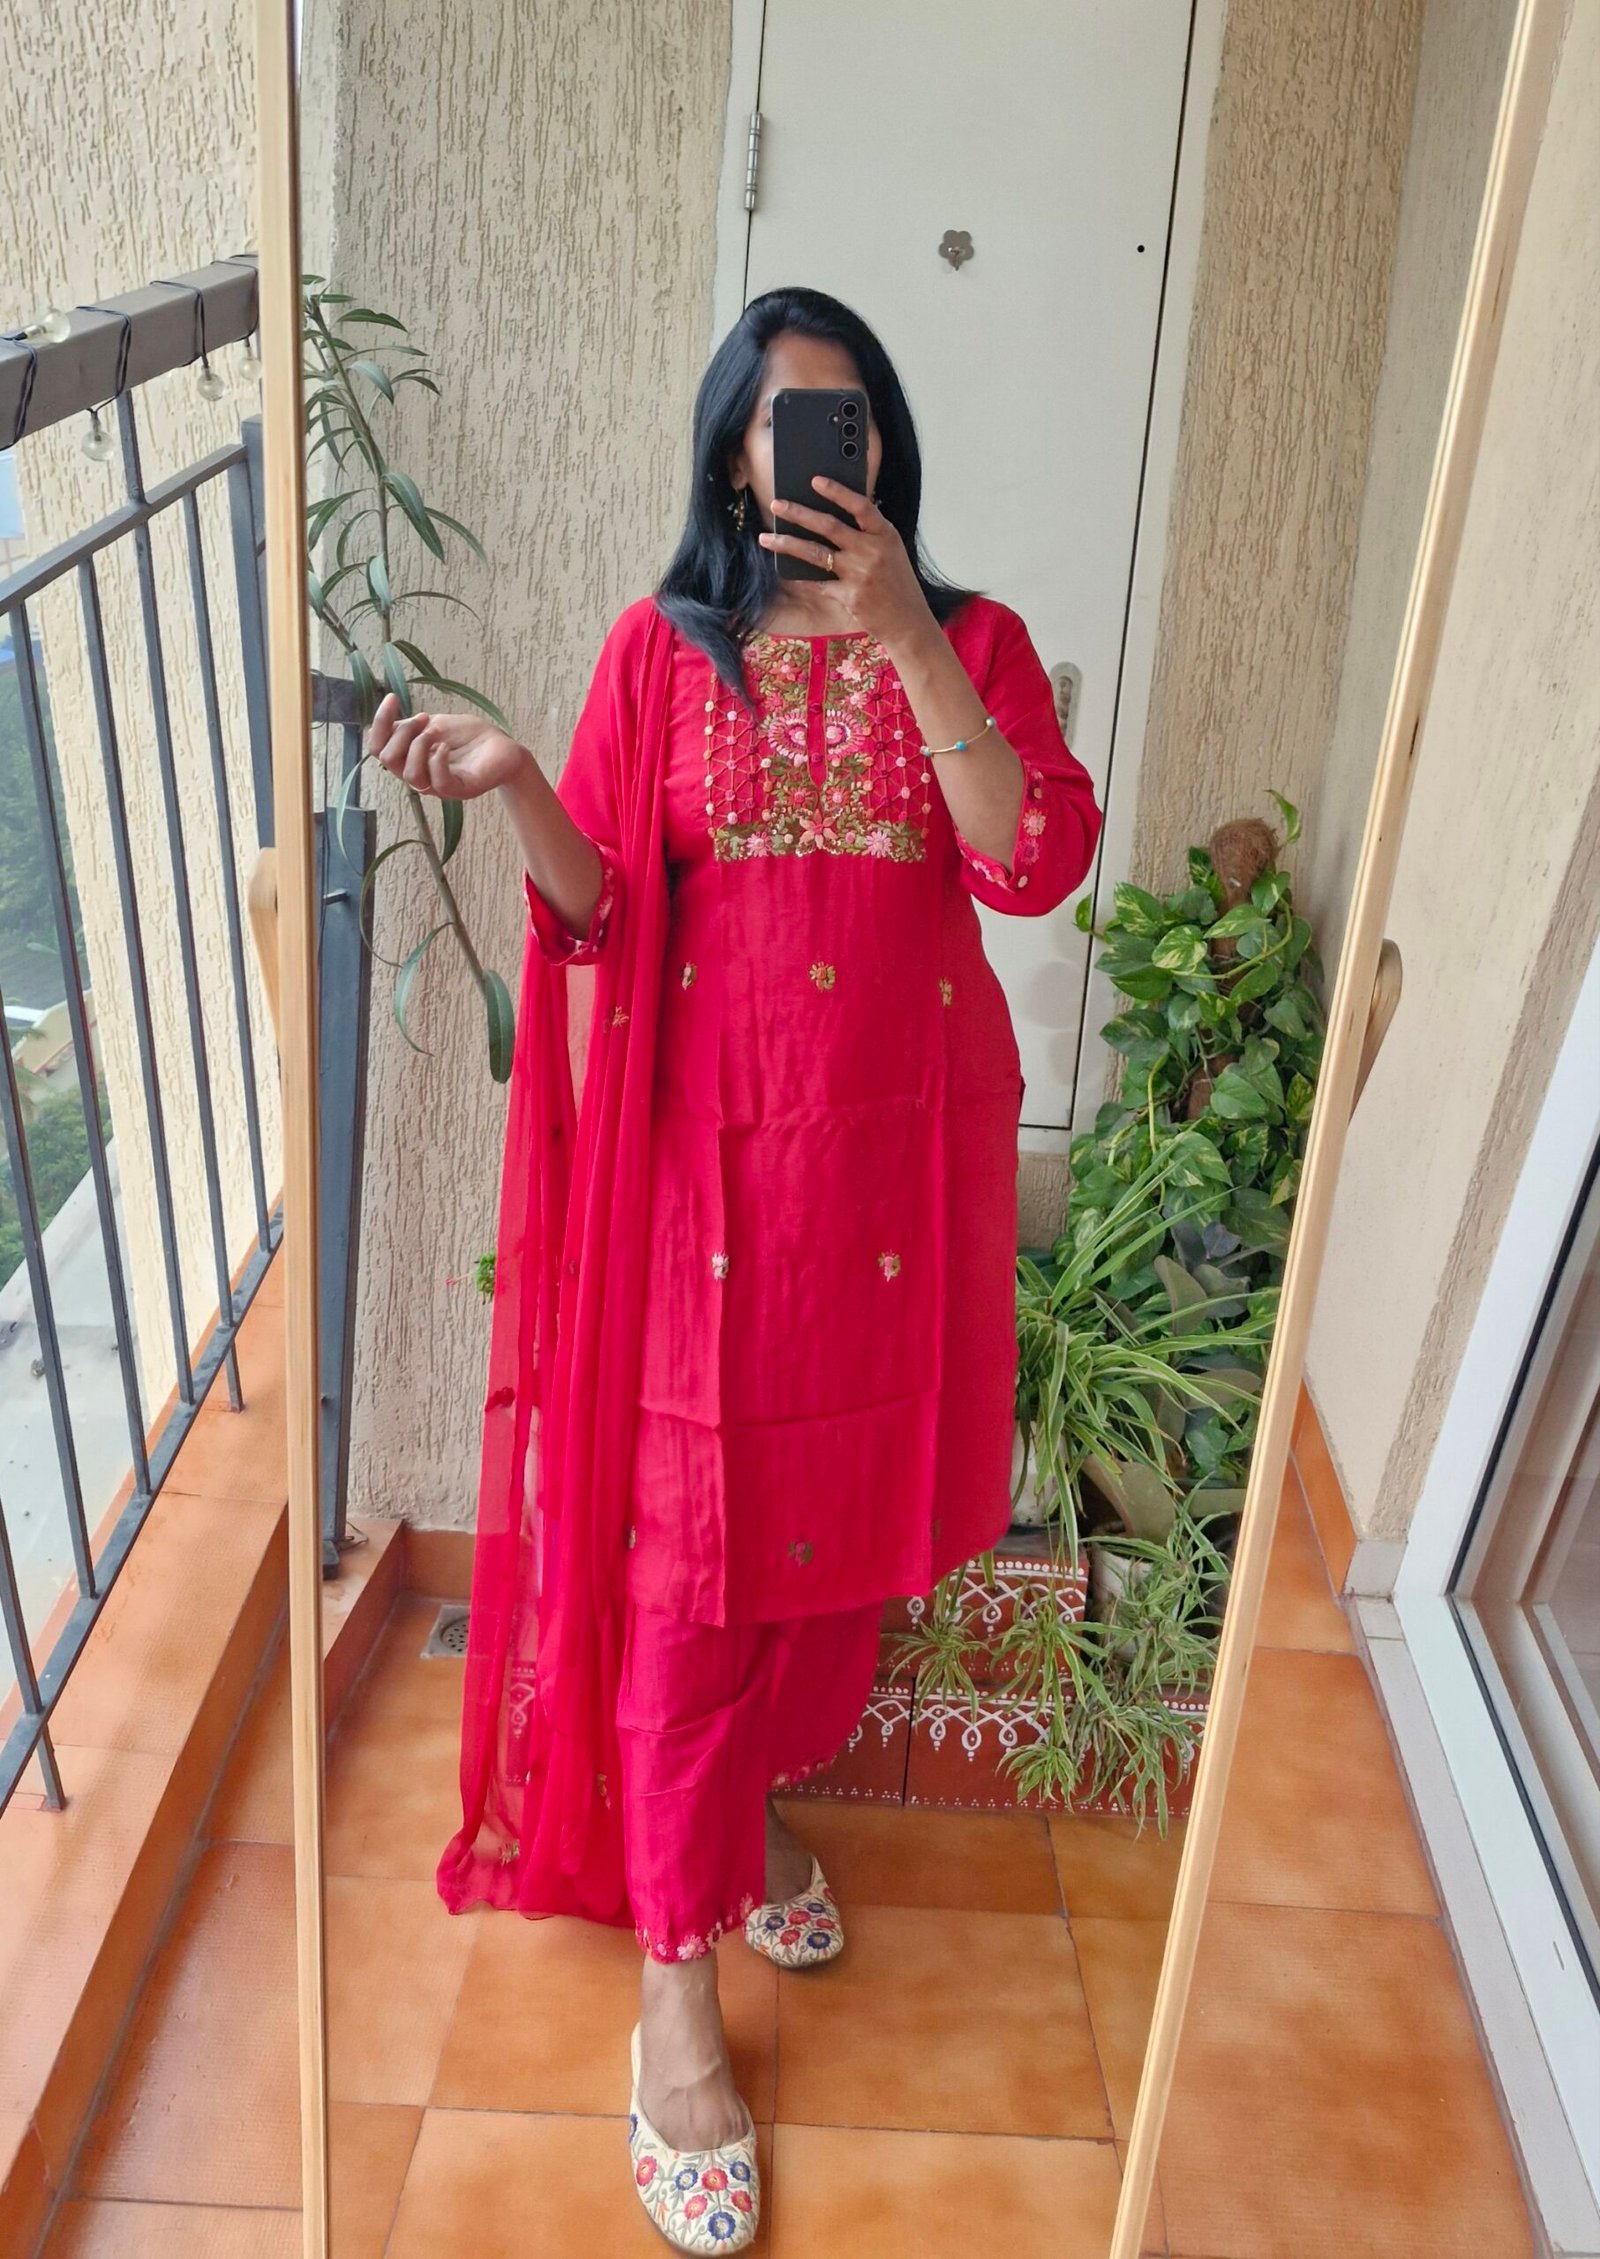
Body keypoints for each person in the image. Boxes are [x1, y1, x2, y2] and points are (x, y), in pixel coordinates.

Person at [371, 285, 1102, 2254]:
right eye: (783, 423)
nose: (814, 456)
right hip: (704, 1203)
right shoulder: (660, 651)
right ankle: (676, 1990)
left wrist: (908, 639)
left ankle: (748, 1805)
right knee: (693, 1576)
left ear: (885, 452)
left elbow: (1028, 861)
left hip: (884, 1200)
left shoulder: (972, 646)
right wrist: (519, 778)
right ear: (727, 453)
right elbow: (601, 912)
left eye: (847, 422)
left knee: (834, 1562)